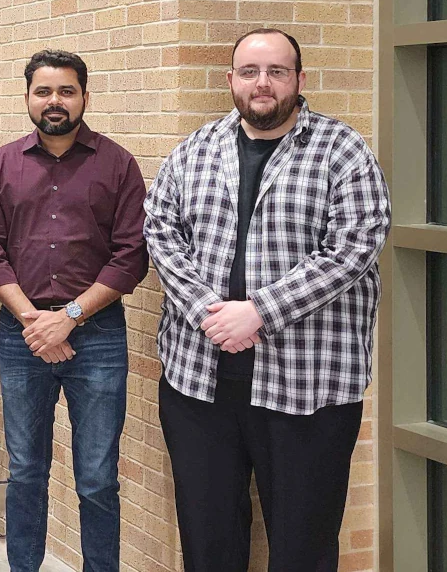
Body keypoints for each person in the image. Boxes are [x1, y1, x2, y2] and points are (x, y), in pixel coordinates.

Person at [144, 28, 391, 572]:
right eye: (251, 71)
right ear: (230, 79)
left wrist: (259, 311)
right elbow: (159, 230)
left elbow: (353, 247)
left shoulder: (343, 151)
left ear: (300, 81)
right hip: (199, 383)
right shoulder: (195, 148)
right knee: (208, 544)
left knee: (304, 546)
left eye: (277, 72)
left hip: (310, 388)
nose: (263, 83)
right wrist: (211, 313)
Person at [0, 49, 148, 572]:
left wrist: (68, 316)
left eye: (66, 91)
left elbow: (130, 255)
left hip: (97, 337)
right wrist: (35, 320)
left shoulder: (117, 163)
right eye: (44, 91)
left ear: (85, 97)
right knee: (26, 471)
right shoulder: (3, 163)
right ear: (27, 97)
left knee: (97, 476)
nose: (55, 101)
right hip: (22, 335)